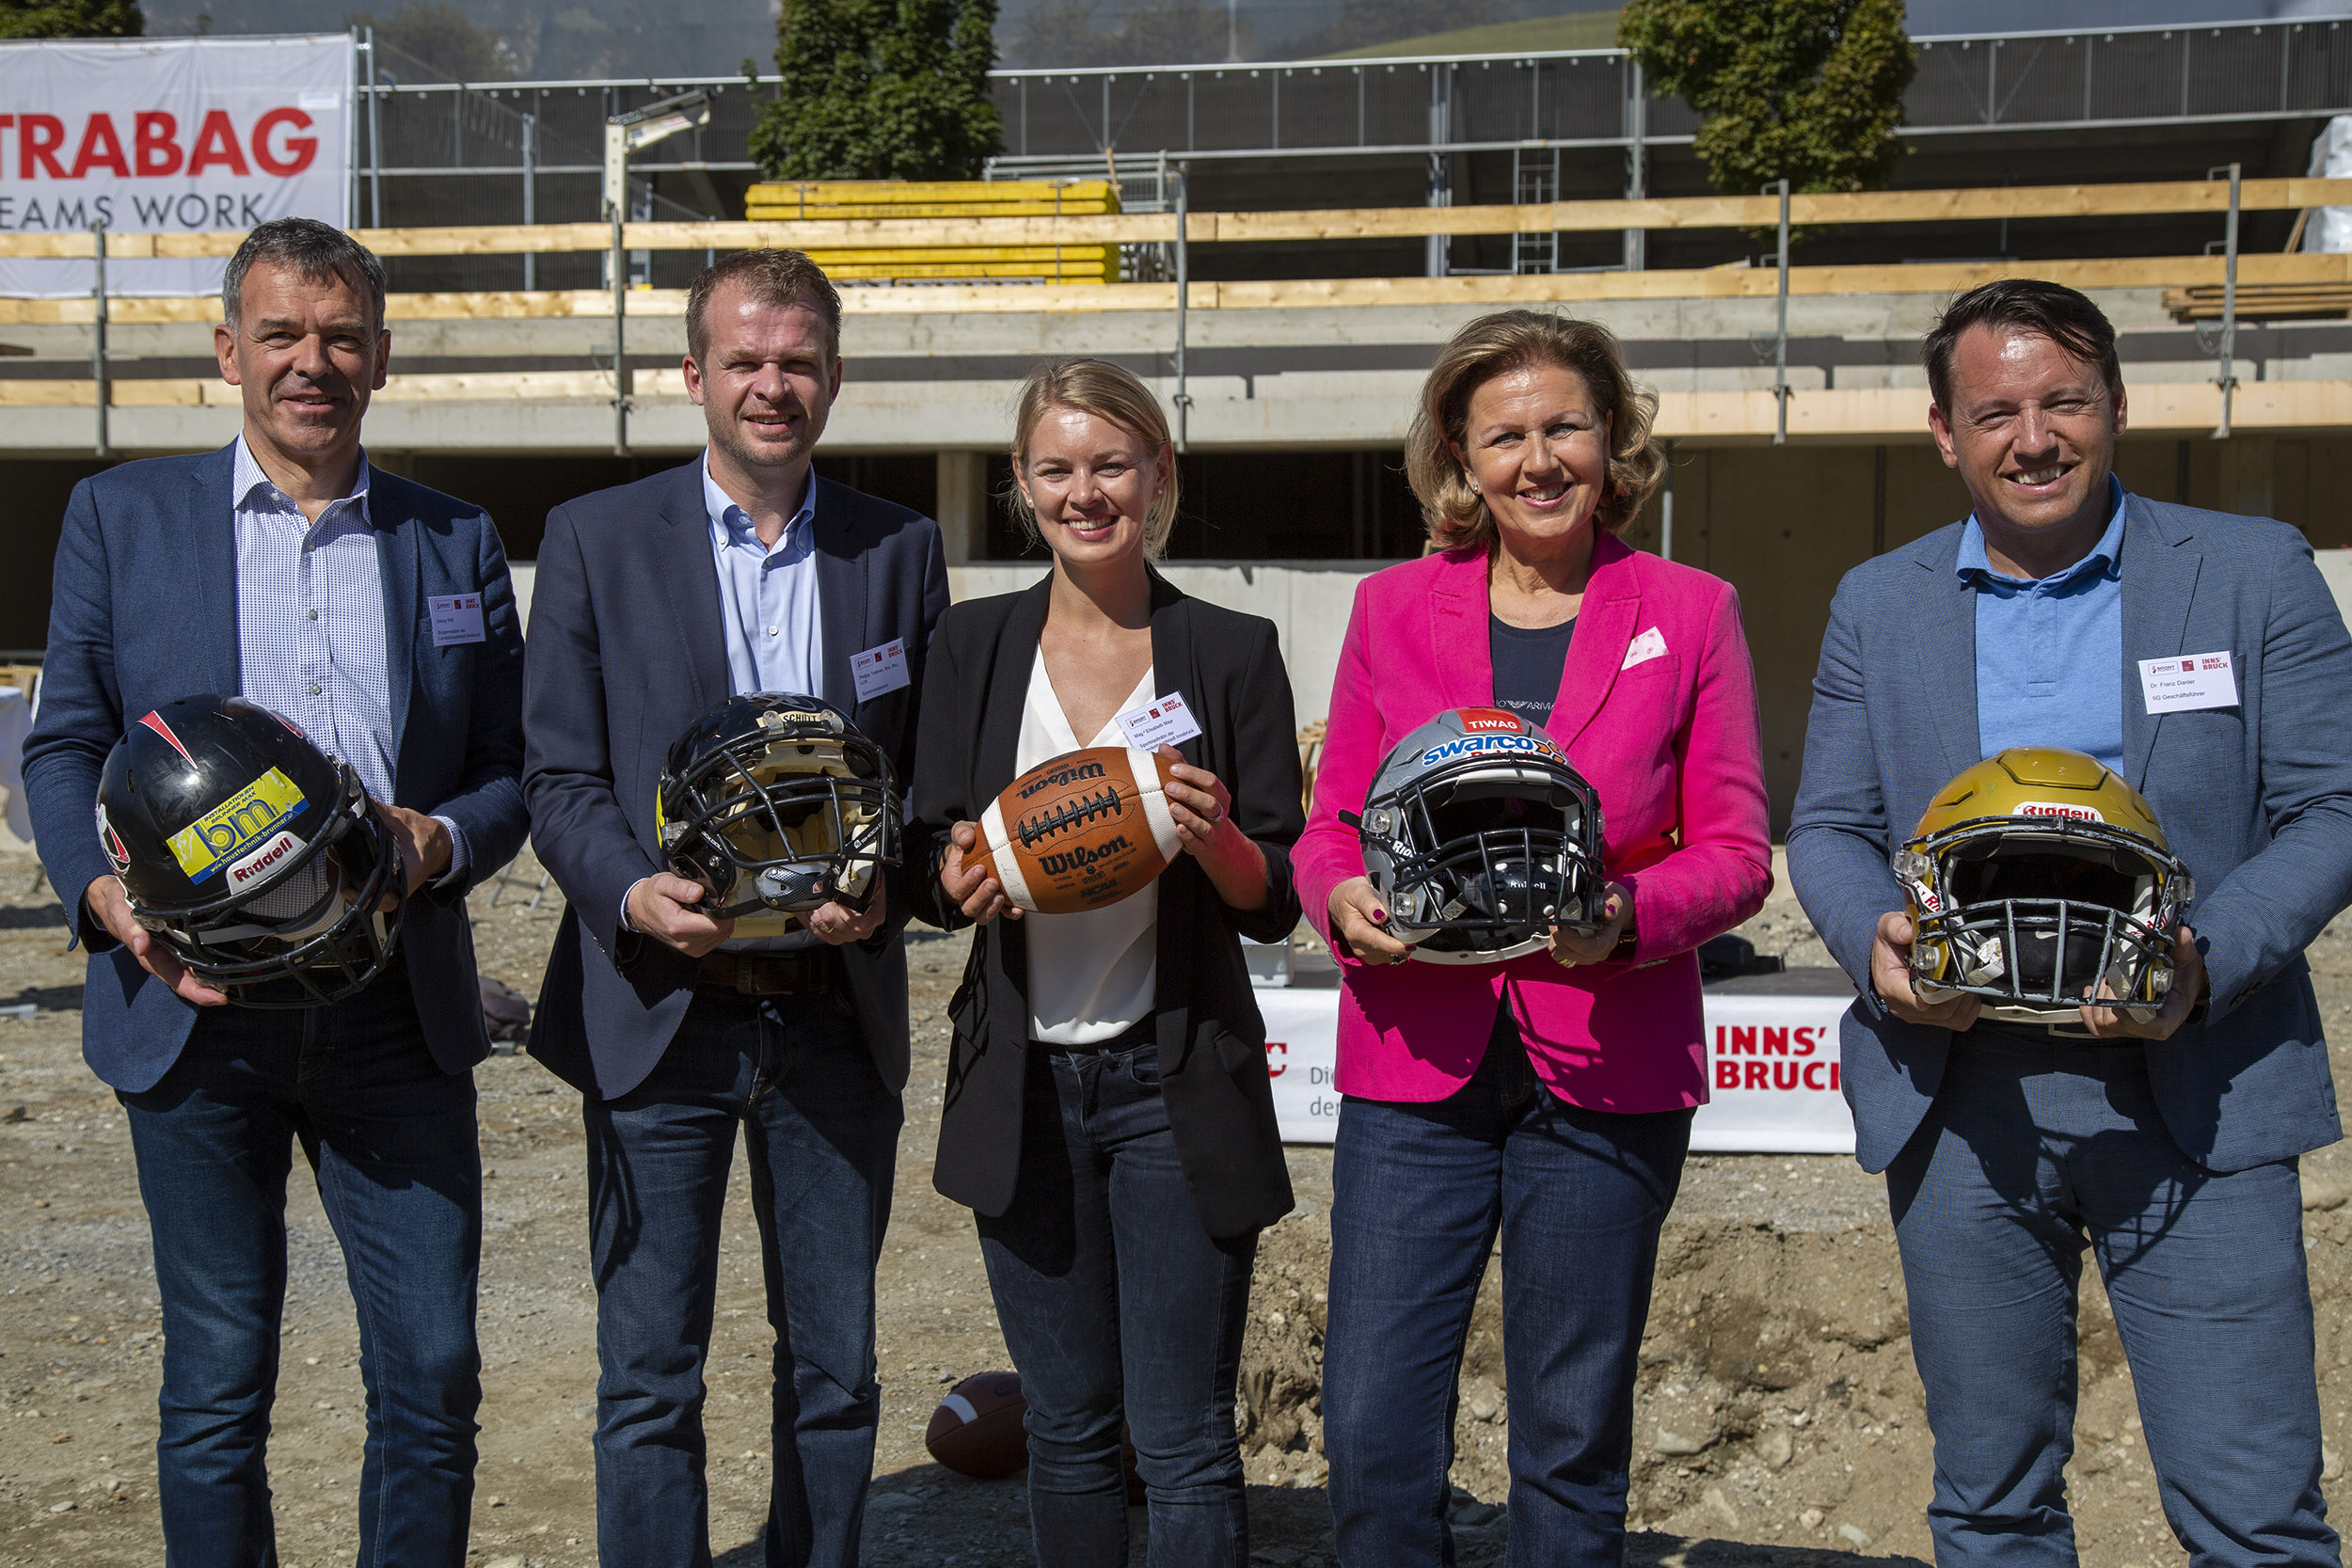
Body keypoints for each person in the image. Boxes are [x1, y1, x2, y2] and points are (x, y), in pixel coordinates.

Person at [1787, 278, 2352, 1568]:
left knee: (2255, 1511)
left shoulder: (2252, 569)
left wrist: (2210, 963)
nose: (2031, 437)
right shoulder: (1880, 601)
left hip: (2196, 1084)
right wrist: (1878, 937)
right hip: (1966, 1093)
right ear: (1944, 431)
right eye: (1996, 411)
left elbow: (2333, 803)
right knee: (1991, 1508)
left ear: (2116, 406)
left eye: (2063, 402)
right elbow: (1824, 823)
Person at [20, 217, 529, 1567]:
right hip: (195, 1003)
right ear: (227, 350)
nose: (315, 363)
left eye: (343, 335)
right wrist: (100, 896)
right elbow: (66, 740)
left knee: (431, 1372)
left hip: (394, 1004)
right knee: (217, 1378)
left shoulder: (455, 538)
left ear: (381, 355)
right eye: (285, 335)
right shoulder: (120, 518)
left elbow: (508, 768)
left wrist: (440, 842)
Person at [1296, 309, 1772, 1567]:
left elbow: (1734, 849)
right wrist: (1339, 893)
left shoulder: (1694, 608)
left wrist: (1629, 917)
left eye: (1566, 424)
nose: (1539, 457)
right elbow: (1333, 819)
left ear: (1614, 440)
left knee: (1567, 1430)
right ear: (1461, 453)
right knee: (1375, 1427)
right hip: (1417, 1062)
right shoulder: (1394, 607)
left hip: (1604, 1057)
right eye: (1505, 433)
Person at [522, 247, 948, 1568]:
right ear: (693, 374)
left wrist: (881, 896)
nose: (773, 386)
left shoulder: (899, 545)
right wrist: (630, 889)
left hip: (830, 1013)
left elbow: (921, 772)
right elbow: (558, 771)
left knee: (837, 1368)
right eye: (746, 360)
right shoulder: (595, 537)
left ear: (833, 376)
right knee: (651, 1375)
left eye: (799, 361)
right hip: (664, 1008)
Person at [908, 358, 1301, 1567]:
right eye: (1058, 469)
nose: (1088, 492)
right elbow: (930, 847)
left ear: (1160, 473)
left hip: (1171, 1081)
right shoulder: (971, 643)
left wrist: (1219, 835)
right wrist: (954, 873)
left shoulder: (1229, 648)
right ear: (1023, 487)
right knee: (1071, 1431)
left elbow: (1274, 896)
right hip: (1022, 1086)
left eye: (1113, 464)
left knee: (1180, 1435)